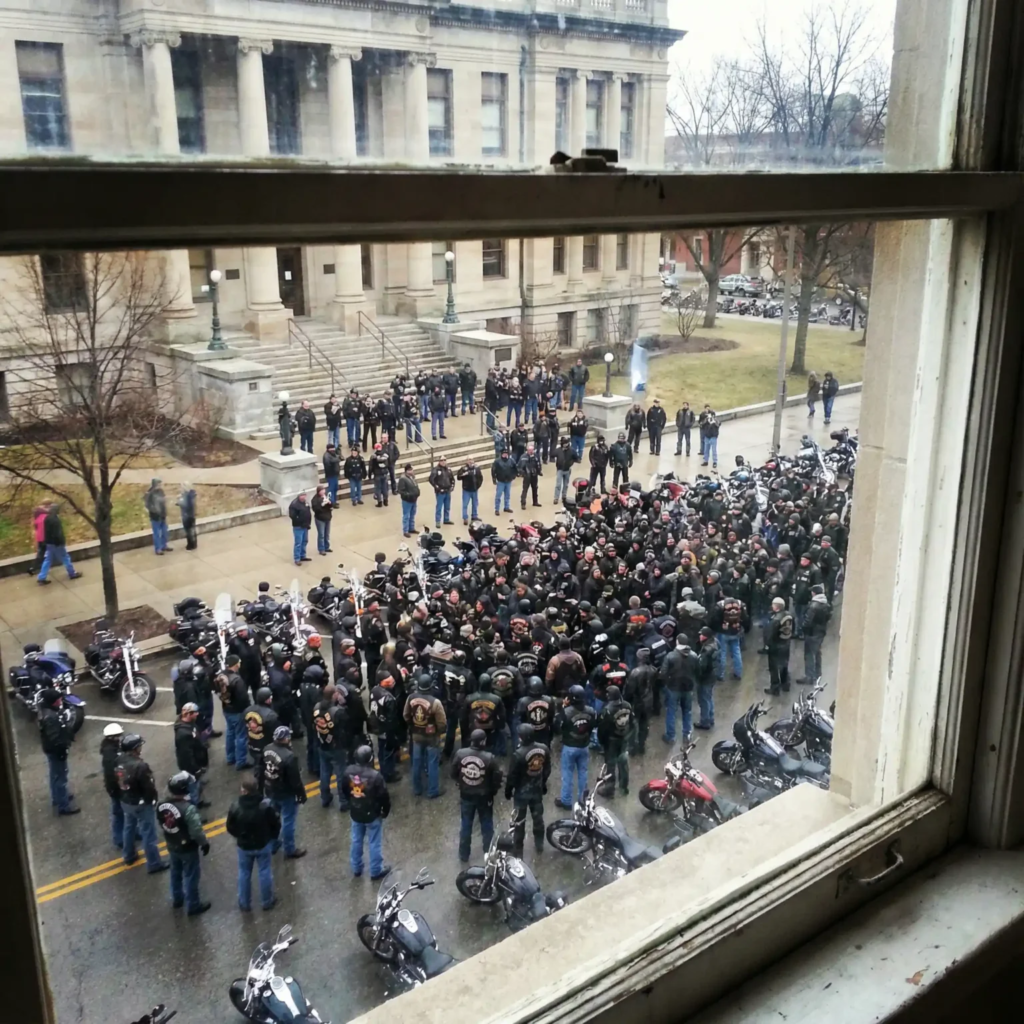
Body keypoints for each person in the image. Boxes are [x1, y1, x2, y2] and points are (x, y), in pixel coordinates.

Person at [156, 772, 211, 916]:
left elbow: (162, 823)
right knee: (191, 876)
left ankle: (177, 898)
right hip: (187, 848)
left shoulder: (161, 805)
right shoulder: (188, 809)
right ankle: (193, 905)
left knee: (175, 873)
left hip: (172, 844)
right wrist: (204, 843)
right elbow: (196, 831)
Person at [226, 775, 281, 912]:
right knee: (265, 871)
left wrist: (239, 835)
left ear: (243, 790)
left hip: (244, 845)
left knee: (244, 873)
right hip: (262, 843)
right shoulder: (265, 805)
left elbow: (230, 827)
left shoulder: (235, 806)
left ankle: (244, 903)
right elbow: (275, 824)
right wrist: (272, 837)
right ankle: (267, 901)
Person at [116, 733, 169, 872]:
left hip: (126, 800)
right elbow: (148, 787)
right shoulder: (140, 766)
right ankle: (153, 863)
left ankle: (128, 855)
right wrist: (152, 800)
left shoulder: (118, 760)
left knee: (129, 827)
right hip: (140, 803)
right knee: (149, 834)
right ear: (135, 748)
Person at [451, 729, 503, 862]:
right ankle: (489, 853)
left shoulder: (460, 754)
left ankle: (464, 854)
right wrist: (493, 791)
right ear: (483, 741)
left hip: (466, 795)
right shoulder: (489, 758)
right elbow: (497, 778)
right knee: (486, 824)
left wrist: (461, 783)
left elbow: (453, 772)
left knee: (466, 824)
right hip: (484, 797)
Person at [341, 745, 392, 879]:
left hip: (356, 811)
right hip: (372, 814)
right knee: (374, 841)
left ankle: (356, 867)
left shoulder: (348, 771)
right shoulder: (376, 776)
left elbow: (345, 790)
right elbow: (384, 797)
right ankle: (376, 870)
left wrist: (352, 802)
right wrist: (385, 811)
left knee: (356, 839)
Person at [504, 722, 551, 855]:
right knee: (538, 818)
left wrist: (508, 790)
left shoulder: (518, 754)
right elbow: (547, 769)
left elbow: (512, 776)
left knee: (519, 822)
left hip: (521, 793)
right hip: (537, 790)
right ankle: (539, 844)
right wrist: (542, 782)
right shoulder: (544, 748)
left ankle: (518, 848)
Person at [262, 725, 308, 859]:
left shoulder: (267, 748)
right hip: (286, 793)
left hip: (270, 789)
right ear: (285, 738)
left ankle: (273, 844)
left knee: (273, 819)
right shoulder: (289, 756)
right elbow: (295, 781)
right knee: (288, 821)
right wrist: (301, 795)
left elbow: (260, 767)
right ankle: (289, 849)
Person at [38, 687, 79, 815]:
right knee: (61, 777)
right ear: (53, 701)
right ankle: (63, 806)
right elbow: (55, 738)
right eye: (58, 699)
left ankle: (58, 798)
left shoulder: (47, 711)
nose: (60, 701)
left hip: (51, 750)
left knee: (54, 775)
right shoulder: (51, 717)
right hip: (56, 751)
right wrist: (62, 751)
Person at [404, 674, 446, 798]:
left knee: (416, 762)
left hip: (416, 735)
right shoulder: (435, 702)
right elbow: (442, 723)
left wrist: (413, 726)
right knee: (432, 763)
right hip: (432, 737)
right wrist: (438, 732)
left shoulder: (410, 698)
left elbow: (406, 715)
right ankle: (433, 790)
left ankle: (417, 789)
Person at [555, 685, 595, 809]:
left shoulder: (566, 712)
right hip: (584, 746)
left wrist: (562, 707)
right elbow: (592, 727)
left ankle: (566, 801)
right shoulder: (591, 710)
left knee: (567, 774)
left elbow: (557, 727)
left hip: (569, 746)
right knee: (583, 772)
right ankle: (583, 800)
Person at [597, 685, 635, 796]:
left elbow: (602, 729)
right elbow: (632, 722)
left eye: (608, 693)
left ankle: (609, 789)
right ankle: (624, 787)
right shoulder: (627, 705)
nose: (606, 695)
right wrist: (628, 736)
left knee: (611, 764)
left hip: (611, 741)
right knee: (623, 762)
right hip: (623, 738)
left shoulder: (608, 710)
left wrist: (602, 742)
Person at [660, 637, 697, 746]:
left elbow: (663, 673)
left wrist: (667, 682)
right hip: (688, 688)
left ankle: (670, 736)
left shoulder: (670, 656)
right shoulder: (694, 655)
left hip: (673, 688)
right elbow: (697, 670)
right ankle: (687, 734)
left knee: (671, 711)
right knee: (687, 711)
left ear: (677, 642)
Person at [35, 502, 83, 586]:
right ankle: (72, 573)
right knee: (65, 557)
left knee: (48, 560)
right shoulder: (55, 520)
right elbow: (58, 533)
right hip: (57, 543)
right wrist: (61, 542)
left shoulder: (47, 518)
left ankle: (41, 577)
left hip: (49, 543)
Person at [368, 672, 403, 782]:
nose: (392, 683)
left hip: (378, 726)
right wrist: (394, 734)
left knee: (381, 750)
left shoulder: (374, 690)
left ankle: (383, 770)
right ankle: (388, 774)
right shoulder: (389, 698)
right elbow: (392, 719)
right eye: (388, 681)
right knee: (388, 752)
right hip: (387, 730)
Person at [173, 702, 210, 808]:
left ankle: (198, 800)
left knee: (197, 784)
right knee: (193, 787)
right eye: (195, 712)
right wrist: (195, 769)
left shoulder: (189, 724)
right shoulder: (183, 734)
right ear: (188, 714)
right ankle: (194, 806)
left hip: (197, 759)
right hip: (191, 766)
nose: (197, 714)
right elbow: (186, 756)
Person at [217, 656, 251, 769]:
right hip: (238, 711)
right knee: (241, 736)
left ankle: (230, 758)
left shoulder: (221, 676)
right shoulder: (237, 680)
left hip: (227, 709)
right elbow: (243, 699)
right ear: (236, 664)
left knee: (230, 733)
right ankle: (241, 761)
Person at [243, 687, 280, 791]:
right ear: (267, 700)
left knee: (258, 767)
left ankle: (258, 788)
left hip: (253, 745)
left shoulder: (247, 710)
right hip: (266, 748)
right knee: (268, 771)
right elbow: (276, 734)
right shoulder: (271, 715)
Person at [799, 584, 832, 686]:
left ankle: (809, 677)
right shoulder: (826, 604)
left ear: (814, 593)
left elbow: (807, 621)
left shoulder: (813, 606)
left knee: (809, 654)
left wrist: (803, 629)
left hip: (812, 632)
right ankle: (818, 674)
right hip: (821, 631)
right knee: (817, 653)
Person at [765, 597, 795, 696]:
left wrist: (767, 645)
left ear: (776, 607)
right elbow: (793, 628)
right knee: (784, 665)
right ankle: (785, 684)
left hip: (776, 645)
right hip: (786, 643)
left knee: (773, 667)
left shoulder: (775, 619)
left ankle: (775, 688)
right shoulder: (789, 615)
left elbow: (770, 634)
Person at [100, 722, 125, 843]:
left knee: (125, 812)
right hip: (116, 788)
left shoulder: (110, 749)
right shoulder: (111, 754)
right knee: (119, 813)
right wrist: (118, 788)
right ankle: (119, 839)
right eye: (118, 735)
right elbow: (112, 774)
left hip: (116, 787)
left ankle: (131, 833)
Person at [694, 626, 719, 730]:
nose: (700, 636)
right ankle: (710, 718)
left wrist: (696, 673)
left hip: (705, 678)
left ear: (706, 636)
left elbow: (702, 666)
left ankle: (704, 722)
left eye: (702, 635)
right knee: (709, 698)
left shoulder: (706, 650)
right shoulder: (715, 643)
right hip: (712, 676)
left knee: (703, 700)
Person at [144, 478, 172, 555]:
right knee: (157, 533)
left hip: (162, 515)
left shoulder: (161, 491)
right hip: (155, 516)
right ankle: (158, 549)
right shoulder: (149, 493)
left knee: (164, 531)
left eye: (160, 484)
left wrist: (165, 511)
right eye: (158, 484)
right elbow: (147, 505)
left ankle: (164, 545)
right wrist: (155, 510)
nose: (160, 485)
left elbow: (163, 501)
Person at [429, 456, 455, 527]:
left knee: (447, 506)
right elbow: (431, 479)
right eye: (441, 460)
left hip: (447, 491)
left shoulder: (448, 469)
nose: (443, 461)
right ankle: (438, 521)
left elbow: (452, 479)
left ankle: (446, 519)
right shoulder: (436, 470)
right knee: (439, 507)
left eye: (444, 460)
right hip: (440, 492)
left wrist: (452, 486)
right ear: (439, 461)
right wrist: (437, 487)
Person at [288, 492, 312, 566]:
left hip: (305, 526)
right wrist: (300, 521)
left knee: (305, 541)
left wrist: (308, 523)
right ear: (298, 495)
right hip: (298, 526)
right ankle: (297, 559)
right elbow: (292, 516)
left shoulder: (305, 502)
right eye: (302, 495)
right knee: (298, 543)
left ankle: (303, 556)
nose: (303, 497)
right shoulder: (294, 504)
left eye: (304, 495)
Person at [553, 436, 578, 505]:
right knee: (558, 484)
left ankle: (564, 496)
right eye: (564, 443)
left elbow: (576, 458)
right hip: (560, 470)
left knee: (565, 484)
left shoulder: (571, 450)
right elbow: (553, 454)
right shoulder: (559, 450)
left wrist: (571, 463)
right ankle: (556, 498)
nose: (565, 444)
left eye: (566, 443)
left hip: (567, 470)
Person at [491, 448, 517, 515]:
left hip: (508, 481)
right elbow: (493, 470)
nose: (505, 454)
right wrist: (494, 479)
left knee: (507, 495)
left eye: (506, 453)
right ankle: (497, 509)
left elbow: (515, 469)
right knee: (498, 496)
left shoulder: (511, 460)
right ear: (501, 454)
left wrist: (513, 476)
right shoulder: (497, 461)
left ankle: (506, 507)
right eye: (504, 453)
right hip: (500, 481)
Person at [457, 457, 483, 524]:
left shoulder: (477, 468)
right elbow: (458, 477)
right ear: (466, 461)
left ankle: (474, 516)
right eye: (468, 460)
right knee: (465, 504)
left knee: (475, 504)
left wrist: (478, 486)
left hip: (474, 490)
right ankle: (465, 518)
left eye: (471, 459)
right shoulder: (463, 469)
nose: (470, 461)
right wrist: (464, 474)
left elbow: (480, 477)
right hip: (466, 490)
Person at [397, 463, 420, 538]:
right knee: (406, 516)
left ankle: (411, 528)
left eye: (412, 469)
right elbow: (401, 490)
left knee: (412, 514)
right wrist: (408, 495)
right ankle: (405, 531)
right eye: (410, 470)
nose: (412, 471)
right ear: (407, 471)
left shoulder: (412, 477)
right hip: (407, 501)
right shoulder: (403, 479)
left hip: (414, 499)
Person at [518, 443, 543, 509]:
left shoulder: (536, 456)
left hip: (534, 475)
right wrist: (523, 473)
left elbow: (539, 464)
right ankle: (523, 503)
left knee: (535, 488)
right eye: (529, 450)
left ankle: (535, 502)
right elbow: (519, 466)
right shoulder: (523, 457)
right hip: (527, 476)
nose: (531, 451)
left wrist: (539, 471)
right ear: (527, 450)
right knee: (525, 490)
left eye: (532, 450)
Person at [311, 484, 333, 556]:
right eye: (322, 490)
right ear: (318, 491)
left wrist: (329, 503)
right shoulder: (315, 499)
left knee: (327, 534)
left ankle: (327, 547)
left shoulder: (326, 496)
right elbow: (315, 509)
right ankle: (321, 549)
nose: (323, 491)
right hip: (320, 519)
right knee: (321, 534)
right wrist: (322, 505)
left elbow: (331, 506)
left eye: (324, 490)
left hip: (327, 517)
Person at [176, 483, 198, 551]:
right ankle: (194, 543)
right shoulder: (192, 494)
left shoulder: (187, 496)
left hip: (187, 515)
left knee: (188, 531)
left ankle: (190, 545)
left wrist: (179, 500)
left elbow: (185, 505)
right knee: (192, 529)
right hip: (191, 515)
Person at [28, 503, 47, 577]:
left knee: (40, 554)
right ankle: (42, 569)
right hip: (45, 538)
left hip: (39, 539)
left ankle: (33, 568)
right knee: (50, 554)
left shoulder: (37, 520)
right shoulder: (45, 517)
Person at [369, 443, 390, 508]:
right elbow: (388, 464)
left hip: (377, 474)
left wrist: (369, 474)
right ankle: (386, 501)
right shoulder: (386, 455)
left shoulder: (373, 456)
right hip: (384, 474)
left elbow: (371, 466)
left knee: (378, 488)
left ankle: (379, 502)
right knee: (385, 488)